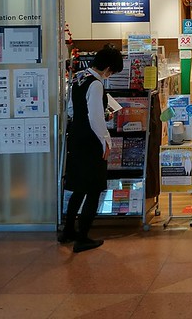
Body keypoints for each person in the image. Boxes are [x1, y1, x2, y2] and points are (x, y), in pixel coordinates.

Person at [59, 45, 125, 252]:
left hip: (77, 136)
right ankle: (83, 237)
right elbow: (95, 117)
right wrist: (106, 141)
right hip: (91, 140)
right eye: (112, 71)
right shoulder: (96, 84)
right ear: (107, 67)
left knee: (78, 187)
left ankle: (68, 231)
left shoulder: (78, 78)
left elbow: (72, 108)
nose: (110, 75)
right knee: (94, 189)